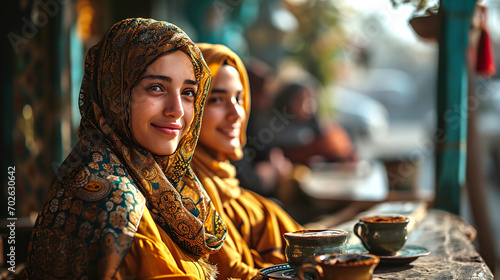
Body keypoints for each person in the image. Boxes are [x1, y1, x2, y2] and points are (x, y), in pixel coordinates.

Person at [23, 18, 227, 280]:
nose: (176, 110)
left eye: (188, 92)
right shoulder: (114, 201)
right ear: (113, 91)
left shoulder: (158, 183)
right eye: (156, 88)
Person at [191, 43, 303, 280]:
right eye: (216, 100)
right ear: (190, 106)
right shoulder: (182, 194)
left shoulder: (231, 189)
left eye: (239, 98)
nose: (235, 114)